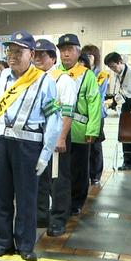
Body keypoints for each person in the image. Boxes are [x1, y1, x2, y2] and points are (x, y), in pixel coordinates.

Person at [0, 31, 61, 261]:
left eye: (19, 51)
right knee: (0, 196)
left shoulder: (45, 82)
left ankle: (26, 244)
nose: (13, 56)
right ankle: (3, 242)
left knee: (27, 197)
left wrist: (46, 154)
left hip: (29, 145)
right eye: (10, 51)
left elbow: (53, 121)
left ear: (32, 54)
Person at [33, 39, 77, 237]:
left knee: (58, 180)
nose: (38, 59)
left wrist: (60, 138)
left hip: (56, 137)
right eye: (35, 55)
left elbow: (68, 111)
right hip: (36, 137)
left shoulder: (63, 80)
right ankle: (41, 215)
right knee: (39, 177)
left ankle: (59, 219)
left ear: (52, 58)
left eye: (43, 55)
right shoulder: (32, 79)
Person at [57, 34, 101, 215]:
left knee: (79, 170)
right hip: (57, 130)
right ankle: (60, 201)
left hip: (79, 130)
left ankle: (76, 202)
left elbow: (94, 103)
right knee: (60, 171)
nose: (66, 54)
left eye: (70, 50)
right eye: (62, 50)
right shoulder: (54, 73)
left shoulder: (88, 75)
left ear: (78, 52)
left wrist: (92, 129)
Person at [104, 52, 131, 171]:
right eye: (110, 67)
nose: (113, 69)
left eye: (114, 66)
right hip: (125, 102)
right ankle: (128, 162)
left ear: (120, 62)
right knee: (126, 133)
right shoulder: (118, 73)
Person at [82, 45, 108, 186]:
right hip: (81, 115)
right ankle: (85, 173)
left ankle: (96, 174)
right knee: (84, 145)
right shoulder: (79, 73)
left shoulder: (101, 74)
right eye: (85, 55)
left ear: (96, 58)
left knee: (96, 146)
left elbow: (97, 93)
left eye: (90, 56)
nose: (87, 59)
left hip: (98, 114)